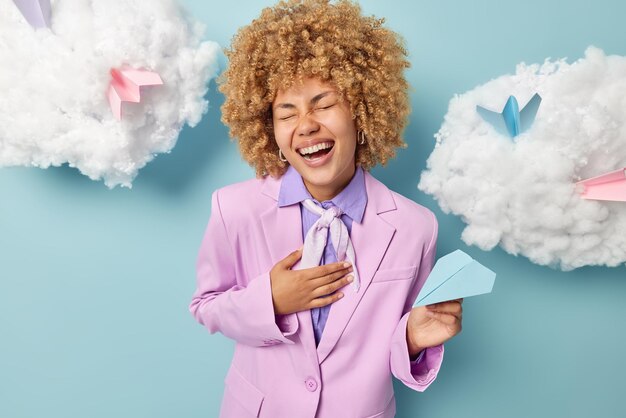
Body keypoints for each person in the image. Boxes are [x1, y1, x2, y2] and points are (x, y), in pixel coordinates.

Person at [189, 1, 463, 416]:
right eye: (287, 112)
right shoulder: (234, 208)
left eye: (324, 103)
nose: (306, 124)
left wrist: (410, 339)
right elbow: (206, 306)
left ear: (362, 109)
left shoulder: (415, 227)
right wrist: (272, 300)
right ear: (269, 130)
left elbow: (387, 343)